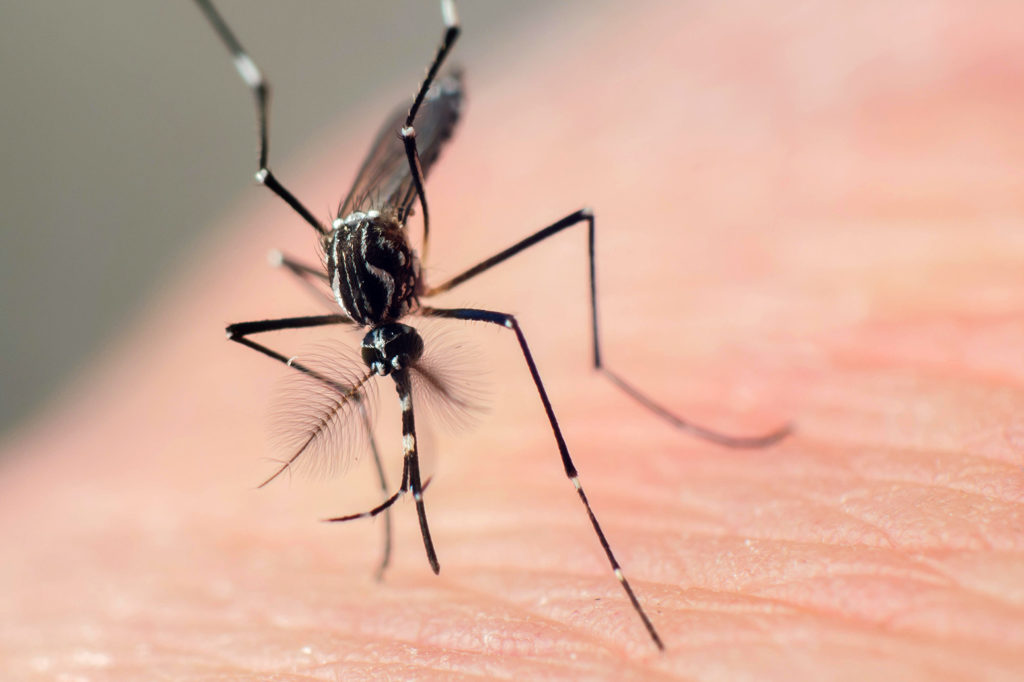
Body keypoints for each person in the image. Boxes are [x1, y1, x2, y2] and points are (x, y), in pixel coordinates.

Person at [2, 1, 1022, 678]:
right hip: (356, 254)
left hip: (411, 143)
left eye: (385, 367)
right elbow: (279, 334)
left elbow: (406, 248)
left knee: (508, 255)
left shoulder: (398, 274)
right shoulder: (363, 320)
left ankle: (610, 390)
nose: (397, 376)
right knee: (272, 227)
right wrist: (355, 363)